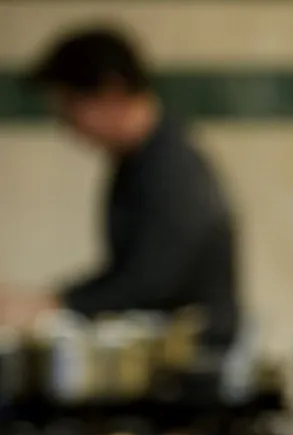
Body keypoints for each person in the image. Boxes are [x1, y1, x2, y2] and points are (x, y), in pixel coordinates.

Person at [0, 25, 242, 381]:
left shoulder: (169, 165)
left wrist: (53, 305)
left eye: (70, 107)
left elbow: (151, 279)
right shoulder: (139, 160)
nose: (66, 125)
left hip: (193, 368)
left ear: (111, 91)